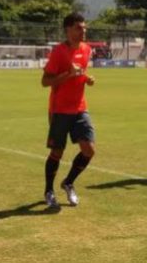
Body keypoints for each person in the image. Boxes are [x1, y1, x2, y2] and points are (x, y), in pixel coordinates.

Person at [41, 12, 96, 208]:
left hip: (80, 108)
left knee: (89, 150)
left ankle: (69, 182)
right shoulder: (58, 52)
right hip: (59, 109)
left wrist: (86, 79)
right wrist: (67, 75)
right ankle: (49, 190)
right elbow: (45, 81)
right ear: (68, 30)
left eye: (84, 27)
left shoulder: (87, 49)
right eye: (79, 28)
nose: (84, 31)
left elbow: (80, 73)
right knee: (57, 151)